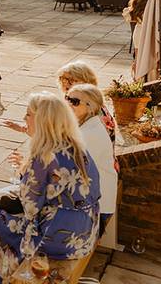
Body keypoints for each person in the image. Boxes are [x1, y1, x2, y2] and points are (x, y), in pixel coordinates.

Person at [0, 93, 100, 284]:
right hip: (86, 231)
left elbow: (30, 207)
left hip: (56, 238)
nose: (24, 119)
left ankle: (3, 275)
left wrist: (23, 176)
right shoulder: (76, 146)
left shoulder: (44, 155)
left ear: (41, 120)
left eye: (28, 114)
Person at [5, 61, 118, 170]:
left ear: (87, 81)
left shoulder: (89, 110)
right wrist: (25, 128)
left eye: (71, 80)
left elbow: (61, 144)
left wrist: (27, 168)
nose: (65, 83)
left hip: (92, 170)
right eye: (63, 79)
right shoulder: (76, 99)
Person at [65, 84, 118, 238]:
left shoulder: (89, 134)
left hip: (97, 210)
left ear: (90, 107)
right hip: (93, 201)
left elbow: (67, 170)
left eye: (74, 101)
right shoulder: (88, 124)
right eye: (67, 98)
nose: (68, 103)